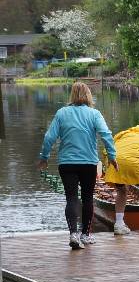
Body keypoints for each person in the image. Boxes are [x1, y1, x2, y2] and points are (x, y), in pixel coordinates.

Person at [38, 82, 118, 250]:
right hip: (88, 163)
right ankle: (86, 235)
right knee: (87, 198)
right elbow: (106, 134)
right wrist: (111, 156)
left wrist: (44, 156)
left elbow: (49, 137)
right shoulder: (94, 114)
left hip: (66, 163)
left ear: (72, 95)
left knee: (71, 198)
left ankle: (73, 234)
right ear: (89, 95)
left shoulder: (62, 113)